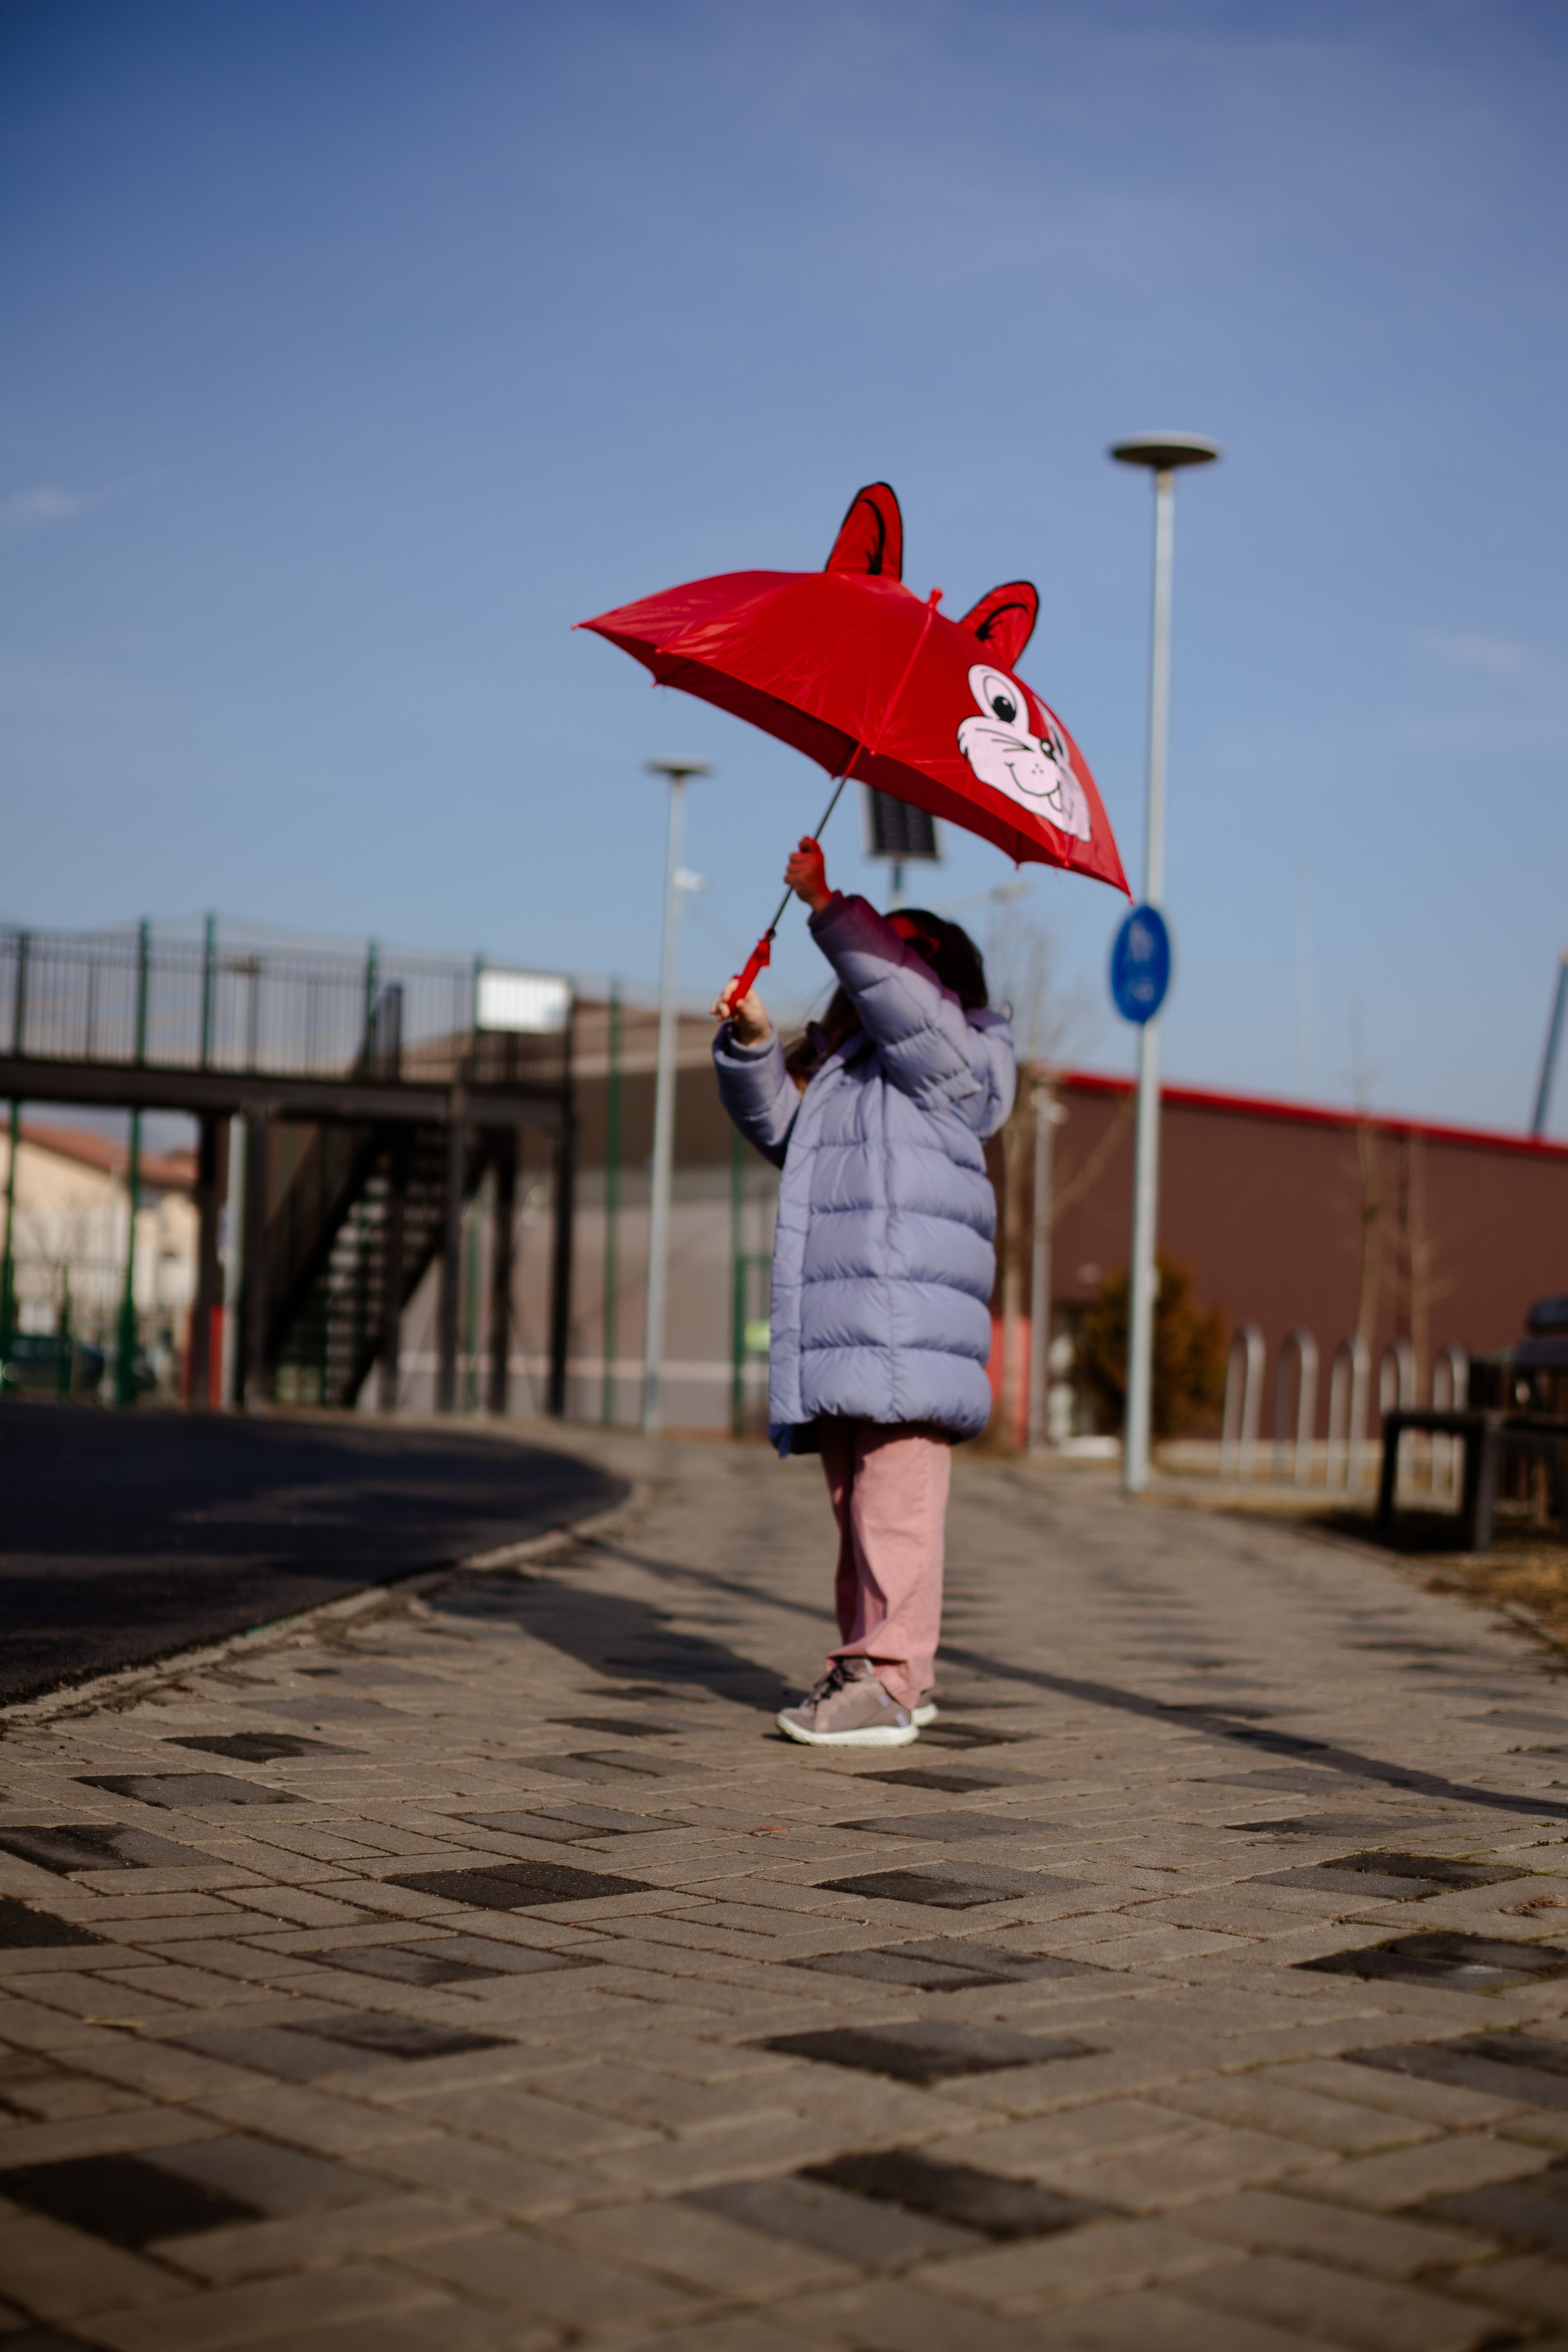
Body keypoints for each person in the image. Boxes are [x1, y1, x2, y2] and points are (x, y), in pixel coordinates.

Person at [710, 834, 1016, 1747]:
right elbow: (788, 1137)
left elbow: (912, 1013)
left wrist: (829, 905)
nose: (884, 957)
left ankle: (887, 1679)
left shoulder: (965, 1060)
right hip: (847, 1328)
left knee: (896, 1514)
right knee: (861, 1516)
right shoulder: (848, 1073)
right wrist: (753, 1044)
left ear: (939, 978)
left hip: (909, 1328)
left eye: (902, 947)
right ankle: (879, 1672)